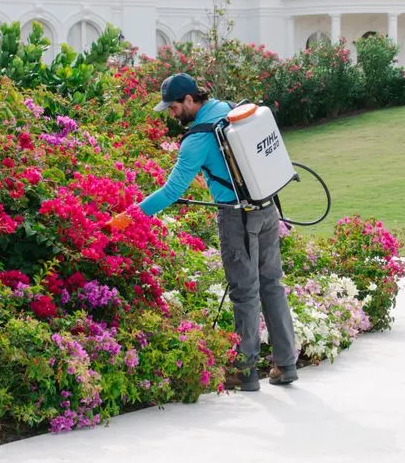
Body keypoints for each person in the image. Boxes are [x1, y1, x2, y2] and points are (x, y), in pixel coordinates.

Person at [108, 73, 298, 391]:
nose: (171, 114)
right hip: (267, 208)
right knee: (272, 287)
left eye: (173, 107)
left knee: (244, 293)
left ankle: (246, 372)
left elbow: (171, 192)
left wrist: (129, 217)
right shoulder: (229, 110)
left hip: (236, 218)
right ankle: (286, 364)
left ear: (189, 100)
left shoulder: (197, 139)